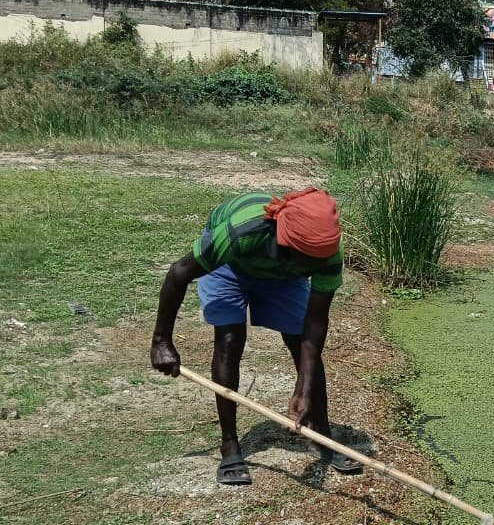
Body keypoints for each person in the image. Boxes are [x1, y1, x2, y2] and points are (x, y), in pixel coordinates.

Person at [151, 187, 362, 484]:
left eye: (317, 265)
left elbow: (315, 324)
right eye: (308, 264)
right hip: (231, 266)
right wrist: (162, 341)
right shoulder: (240, 232)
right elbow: (178, 273)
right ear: (284, 242)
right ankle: (229, 445)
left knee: (300, 337)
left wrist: (302, 391)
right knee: (229, 340)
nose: (314, 271)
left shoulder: (324, 252)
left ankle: (323, 434)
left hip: (284, 275)